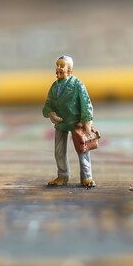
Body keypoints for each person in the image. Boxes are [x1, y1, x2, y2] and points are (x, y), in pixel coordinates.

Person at [42, 55, 96, 188]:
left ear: (70, 70)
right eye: (57, 65)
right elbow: (48, 103)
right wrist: (51, 113)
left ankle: (87, 177)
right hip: (61, 123)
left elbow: (86, 102)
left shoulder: (77, 84)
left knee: (82, 149)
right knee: (59, 151)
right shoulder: (54, 87)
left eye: (62, 66)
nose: (58, 68)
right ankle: (63, 175)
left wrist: (87, 121)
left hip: (76, 122)